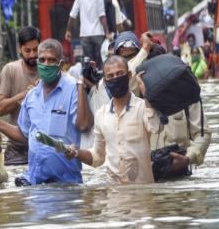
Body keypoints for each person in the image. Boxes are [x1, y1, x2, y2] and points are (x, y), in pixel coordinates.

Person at [0, 39, 93, 186]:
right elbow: (24, 134)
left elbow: (84, 125)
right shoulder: (32, 95)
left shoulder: (73, 89)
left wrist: (81, 85)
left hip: (66, 183)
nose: (46, 64)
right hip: (35, 182)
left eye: (51, 60)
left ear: (61, 63)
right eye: (42, 60)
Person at [65, 56, 161, 184]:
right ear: (105, 81)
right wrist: (76, 152)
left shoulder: (142, 107)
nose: (115, 78)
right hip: (114, 195)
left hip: (142, 195)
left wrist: (147, 95)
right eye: (110, 76)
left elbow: (157, 127)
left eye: (120, 74)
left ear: (129, 75)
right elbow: (98, 157)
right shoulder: (101, 114)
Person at [0, 26, 41, 165]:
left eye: (36, 50)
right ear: (19, 49)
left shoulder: (48, 71)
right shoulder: (10, 70)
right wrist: (23, 96)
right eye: (28, 50)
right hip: (16, 151)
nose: (32, 55)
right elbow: (0, 109)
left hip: (43, 148)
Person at [150, 101, 211, 178]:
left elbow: (202, 133)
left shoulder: (187, 93)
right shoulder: (132, 96)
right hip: (138, 172)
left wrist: (188, 158)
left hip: (179, 172)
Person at [65, 0, 110, 70]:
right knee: (99, 62)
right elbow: (102, 15)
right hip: (98, 33)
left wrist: (68, 31)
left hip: (85, 34)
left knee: (88, 62)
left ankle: (90, 82)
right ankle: (99, 82)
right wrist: (107, 32)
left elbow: (73, 15)